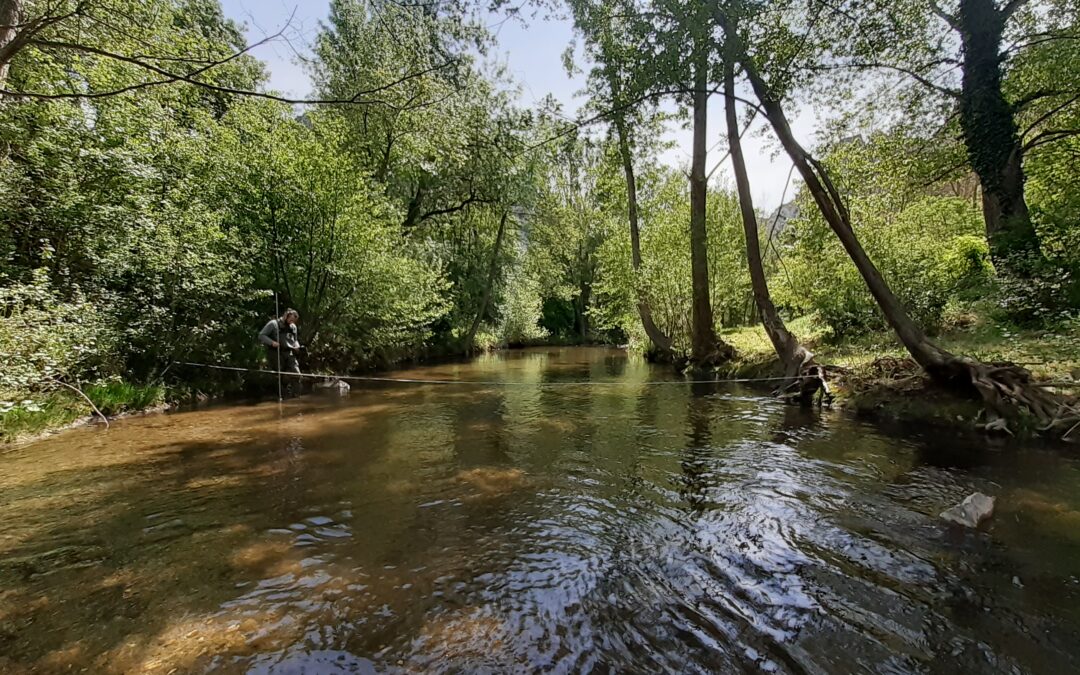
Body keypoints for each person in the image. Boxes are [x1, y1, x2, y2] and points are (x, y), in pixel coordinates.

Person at [258, 309, 303, 396]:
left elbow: (295, 340)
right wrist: (272, 342)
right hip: (276, 353)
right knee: (281, 376)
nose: (292, 322)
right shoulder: (273, 324)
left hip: (289, 353)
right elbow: (261, 335)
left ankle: (297, 396)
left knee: (297, 374)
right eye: (291, 320)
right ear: (286, 316)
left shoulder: (293, 327)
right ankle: (283, 395)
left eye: (294, 321)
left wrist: (297, 346)